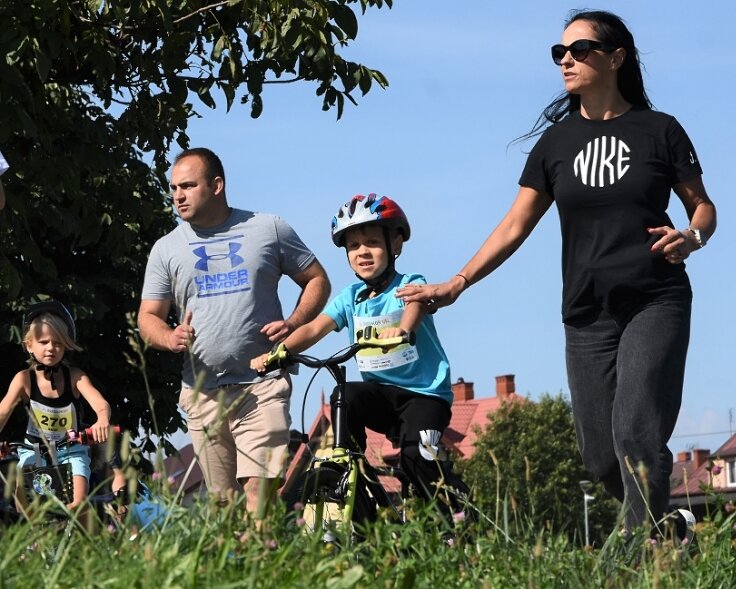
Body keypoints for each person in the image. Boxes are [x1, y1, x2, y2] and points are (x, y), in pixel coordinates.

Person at [397, 10, 716, 541]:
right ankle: (665, 530)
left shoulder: (660, 130)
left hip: (654, 300)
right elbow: (515, 224)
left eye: (580, 49)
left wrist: (692, 236)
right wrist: (457, 282)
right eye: (559, 52)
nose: (566, 59)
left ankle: (636, 562)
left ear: (616, 58)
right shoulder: (556, 144)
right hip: (586, 313)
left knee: (637, 434)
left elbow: (703, 208)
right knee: (598, 455)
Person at [251, 194, 468, 521]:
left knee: (416, 458)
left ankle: (452, 518)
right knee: (345, 395)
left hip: (424, 396)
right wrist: (278, 353)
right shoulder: (350, 299)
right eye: (353, 246)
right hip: (381, 395)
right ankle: (358, 505)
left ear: (395, 243)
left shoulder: (409, 284)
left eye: (371, 243)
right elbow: (314, 329)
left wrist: (403, 331)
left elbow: (415, 306)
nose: (362, 252)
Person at [138, 147, 330, 515]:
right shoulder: (166, 249)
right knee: (222, 506)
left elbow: (317, 280)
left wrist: (293, 322)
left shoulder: (267, 228)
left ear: (217, 185)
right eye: (174, 187)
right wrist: (169, 336)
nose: (177, 195)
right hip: (202, 392)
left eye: (188, 186)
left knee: (258, 494)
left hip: (263, 384)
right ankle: (240, 570)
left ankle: (266, 568)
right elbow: (148, 317)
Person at [0, 300, 114, 512]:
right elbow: (3, 411)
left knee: (78, 503)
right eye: (43, 342)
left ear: (66, 346)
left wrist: (102, 420)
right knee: (22, 495)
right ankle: (34, 540)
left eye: (58, 343)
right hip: (33, 450)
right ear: (29, 345)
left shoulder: (75, 377)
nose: (51, 348)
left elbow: (100, 403)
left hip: (71, 449)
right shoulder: (24, 379)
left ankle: (79, 539)